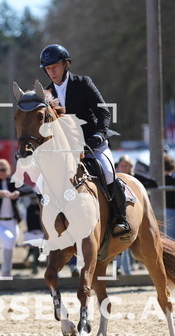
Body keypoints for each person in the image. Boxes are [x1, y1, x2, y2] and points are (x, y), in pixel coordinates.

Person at [40, 43, 129, 237]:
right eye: (48, 68)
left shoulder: (83, 83)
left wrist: (99, 135)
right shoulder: (46, 95)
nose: (51, 72)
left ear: (67, 64)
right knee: (42, 181)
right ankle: (52, 226)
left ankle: (120, 218)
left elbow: (103, 113)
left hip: (92, 143)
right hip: (66, 151)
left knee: (108, 172)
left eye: (55, 66)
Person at [0, 158, 33, 277]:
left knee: (9, 245)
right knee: (8, 240)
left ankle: (5, 273)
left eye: (3, 170)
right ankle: (5, 273)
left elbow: (28, 188)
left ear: (8, 170)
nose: (1, 172)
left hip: (12, 222)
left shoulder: (13, 182)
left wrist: (18, 192)